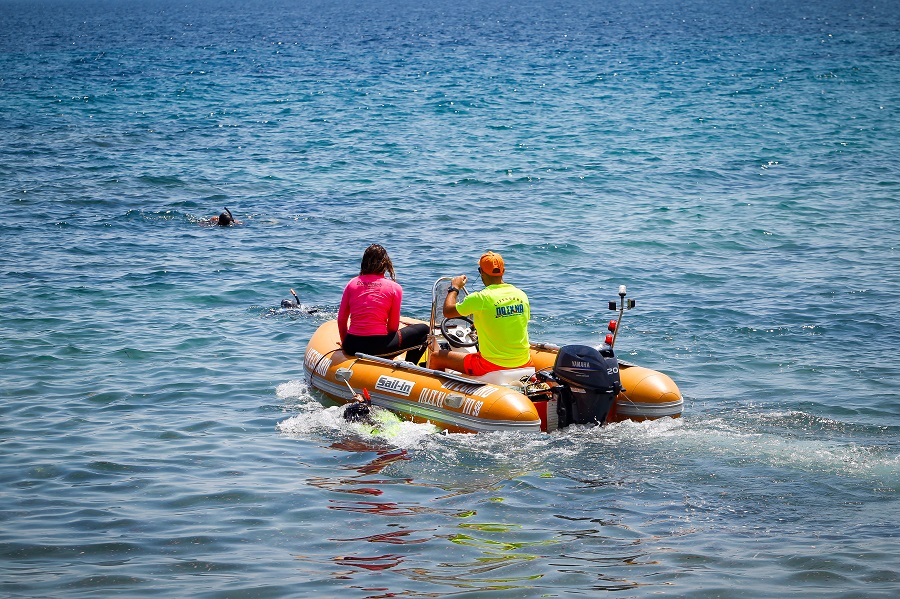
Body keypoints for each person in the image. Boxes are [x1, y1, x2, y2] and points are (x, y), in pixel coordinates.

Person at [429, 251, 532, 375]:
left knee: (436, 357)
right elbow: (510, 321)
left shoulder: (481, 298)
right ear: (503, 271)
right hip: (524, 363)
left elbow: (448, 311)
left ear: (481, 272)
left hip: (491, 365)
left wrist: (455, 288)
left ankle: (437, 392)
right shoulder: (521, 295)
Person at [338, 244, 429, 364]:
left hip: (352, 345)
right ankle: (409, 368)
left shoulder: (351, 284)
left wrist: (345, 343)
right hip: (379, 347)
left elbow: (341, 320)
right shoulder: (395, 288)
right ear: (386, 264)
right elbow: (392, 327)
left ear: (363, 263)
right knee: (424, 330)